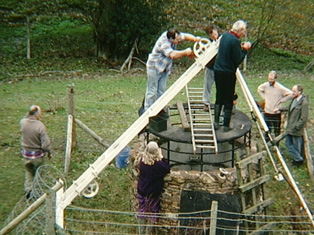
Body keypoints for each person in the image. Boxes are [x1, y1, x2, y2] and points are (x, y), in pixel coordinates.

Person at [144, 28, 201, 117]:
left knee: (161, 91)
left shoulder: (176, 36)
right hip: (154, 67)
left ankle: (160, 110)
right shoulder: (164, 43)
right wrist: (185, 52)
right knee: (152, 91)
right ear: (171, 39)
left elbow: (185, 36)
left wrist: (195, 39)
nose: (179, 41)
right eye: (177, 40)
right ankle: (147, 113)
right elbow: (173, 55)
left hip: (164, 68)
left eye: (179, 39)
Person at [214, 20, 251, 132]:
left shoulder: (225, 36)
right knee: (228, 98)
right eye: (244, 31)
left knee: (219, 95)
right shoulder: (235, 41)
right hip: (228, 72)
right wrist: (245, 50)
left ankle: (216, 122)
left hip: (218, 70)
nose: (244, 34)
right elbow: (237, 60)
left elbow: (228, 51)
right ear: (239, 31)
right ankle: (225, 125)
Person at [20, 105, 52, 198]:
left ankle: (28, 190)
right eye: (40, 113)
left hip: (26, 154)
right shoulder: (40, 126)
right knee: (39, 173)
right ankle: (37, 193)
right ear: (37, 114)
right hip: (37, 156)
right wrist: (49, 152)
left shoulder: (23, 122)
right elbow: (45, 144)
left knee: (29, 172)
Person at [137, 141, 170, 227]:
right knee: (153, 212)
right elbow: (167, 168)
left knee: (142, 211)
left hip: (142, 190)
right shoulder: (158, 165)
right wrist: (162, 157)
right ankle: (150, 229)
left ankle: (141, 229)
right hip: (152, 193)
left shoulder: (142, 161)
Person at [257, 71, 293, 138]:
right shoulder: (265, 85)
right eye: (269, 79)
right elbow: (259, 89)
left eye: (272, 79)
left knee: (277, 131)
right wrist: (265, 97)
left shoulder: (280, 87)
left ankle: (276, 145)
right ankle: (267, 144)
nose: (270, 81)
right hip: (267, 111)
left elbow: (291, 94)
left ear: (275, 79)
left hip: (276, 113)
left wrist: (282, 100)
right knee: (267, 130)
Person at [282, 85, 308, 166]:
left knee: (297, 146)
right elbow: (289, 108)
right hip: (290, 127)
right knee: (288, 143)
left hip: (296, 129)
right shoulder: (294, 99)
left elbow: (304, 118)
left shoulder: (304, 103)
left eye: (294, 91)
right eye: (292, 91)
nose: (292, 93)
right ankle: (299, 159)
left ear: (299, 92)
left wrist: (297, 126)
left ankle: (297, 161)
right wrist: (279, 109)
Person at [203, 24, 219, 111]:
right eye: (212, 35)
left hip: (220, 67)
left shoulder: (223, 39)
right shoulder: (207, 43)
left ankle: (221, 103)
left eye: (215, 34)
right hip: (210, 66)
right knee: (207, 85)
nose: (214, 36)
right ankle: (206, 102)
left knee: (221, 86)